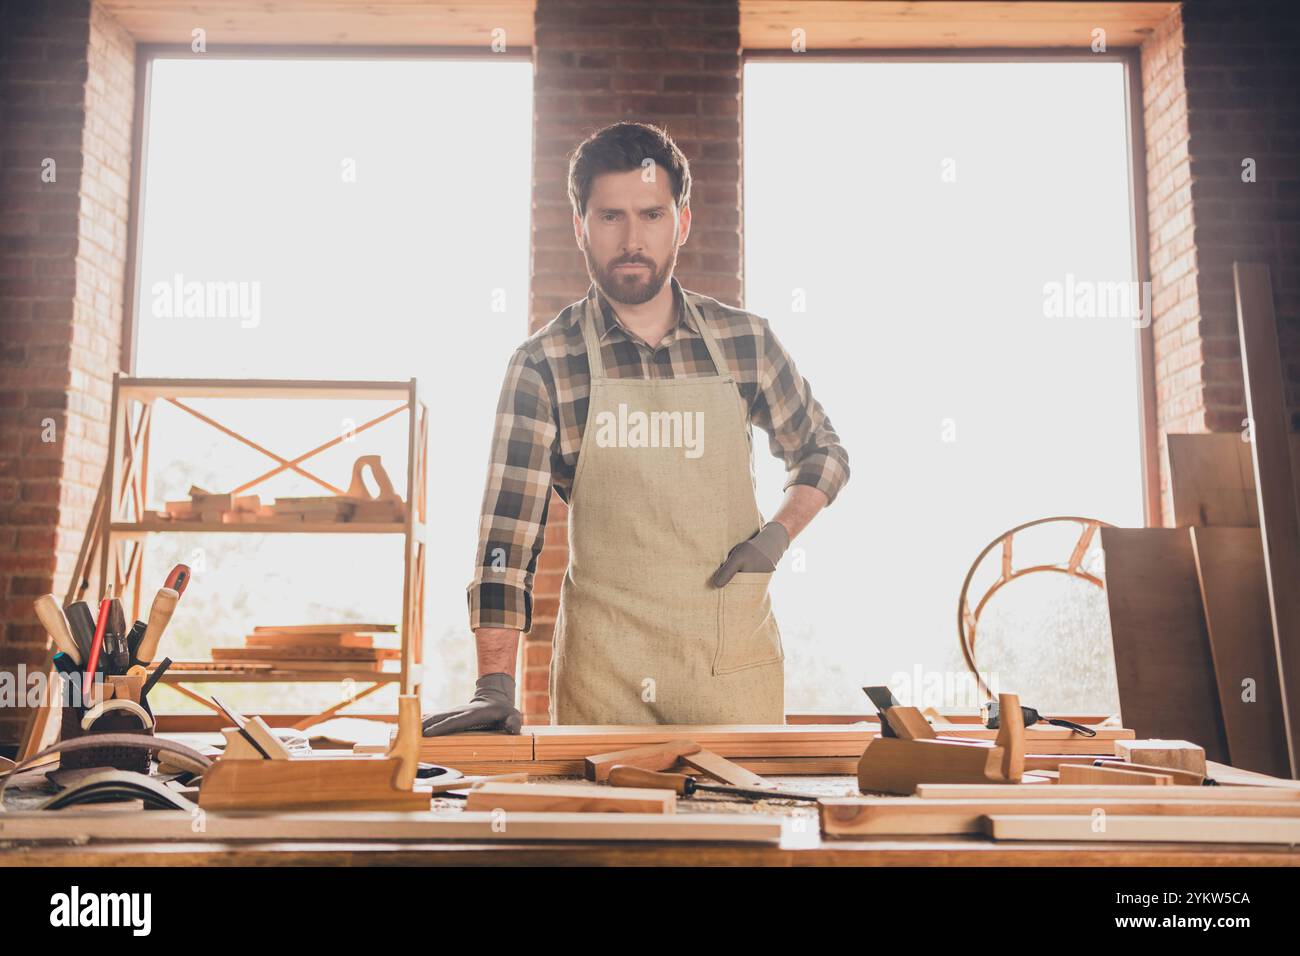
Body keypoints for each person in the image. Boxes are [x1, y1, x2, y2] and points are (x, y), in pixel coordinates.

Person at [423, 122, 849, 734]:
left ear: (682, 221)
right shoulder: (543, 364)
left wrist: (776, 538)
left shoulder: (745, 343)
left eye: (651, 214)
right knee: (607, 832)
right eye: (609, 216)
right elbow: (505, 541)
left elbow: (822, 453)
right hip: (605, 685)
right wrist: (494, 683)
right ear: (580, 226)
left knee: (739, 828)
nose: (631, 239)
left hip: (731, 673)